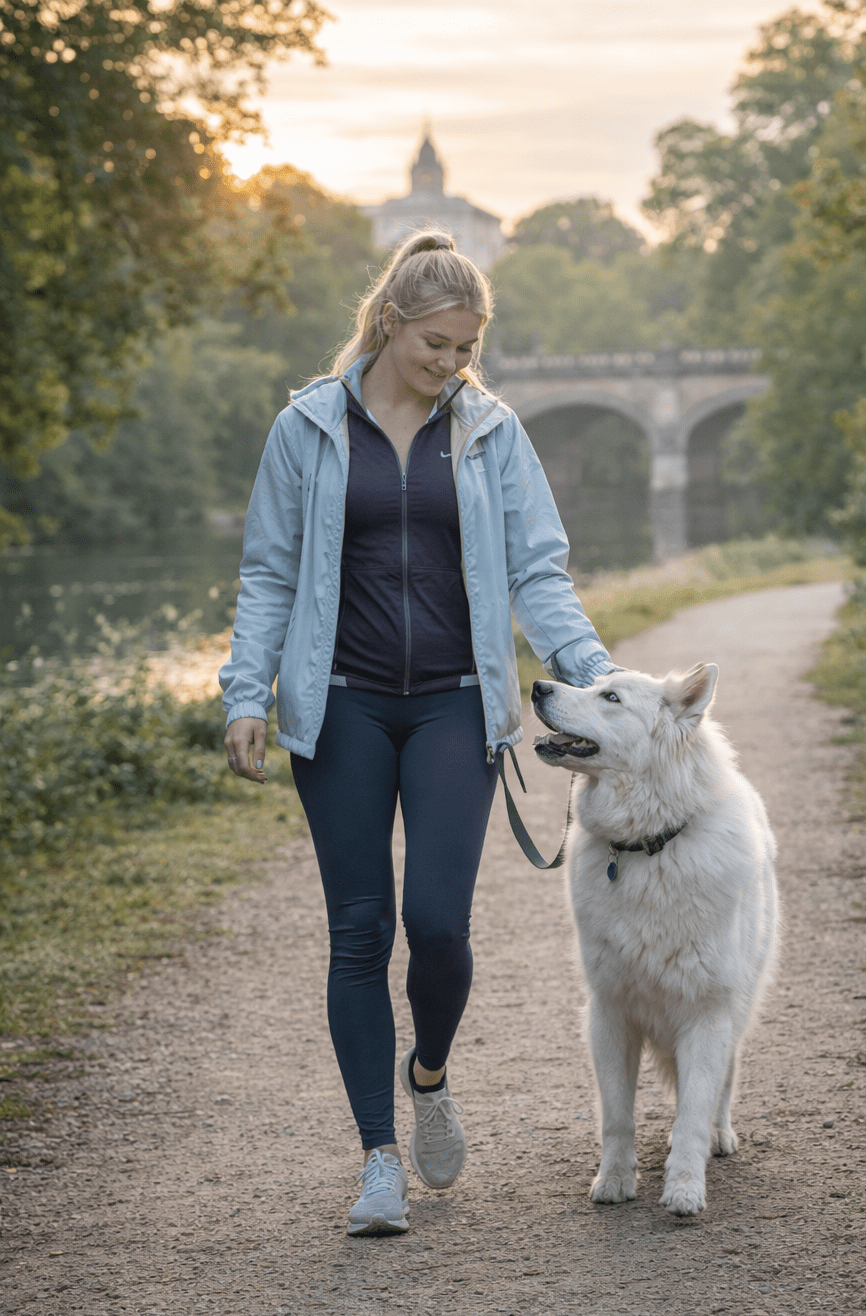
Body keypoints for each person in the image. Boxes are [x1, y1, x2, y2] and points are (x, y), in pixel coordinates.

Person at [219, 229, 616, 1236]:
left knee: (438, 926)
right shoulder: (307, 428)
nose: (452, 365)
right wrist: (245, 696)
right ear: (392, 324)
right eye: (438, 344)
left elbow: (538, 571)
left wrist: (595, 673)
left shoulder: (489, 431)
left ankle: (428, 1075)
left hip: (452, 704)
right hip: (340, 706)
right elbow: (268, 572)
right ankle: (379, 1159)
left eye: (466, 350)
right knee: (361, 933)